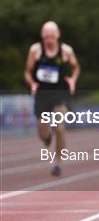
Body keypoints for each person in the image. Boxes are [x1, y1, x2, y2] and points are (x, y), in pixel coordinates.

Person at [24, 21, 80, 176]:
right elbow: (27, 72)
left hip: (60, 94)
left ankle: (58, 164)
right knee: (43, 132)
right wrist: (32, 83)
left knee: (59, 126)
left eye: (52, 36)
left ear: (58, 35)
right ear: (42, 36)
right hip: (42, 94)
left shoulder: (66, 51)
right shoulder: (35, 50)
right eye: (46, 36)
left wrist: (72, 79)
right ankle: (47, 138)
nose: (49, 40)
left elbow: (76, 67)